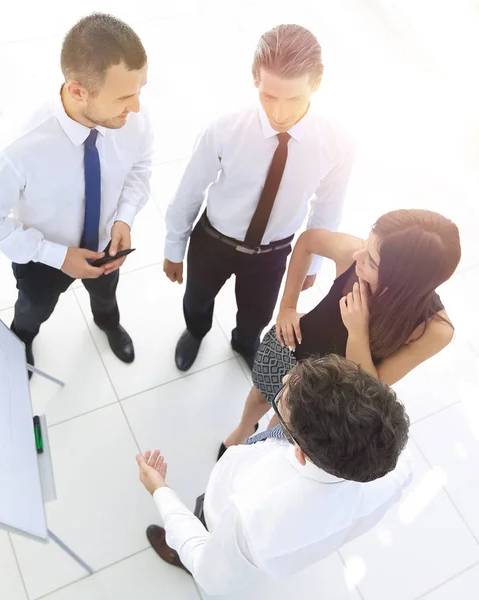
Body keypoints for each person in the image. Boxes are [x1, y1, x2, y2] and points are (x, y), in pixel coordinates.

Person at [0, 13, 152, 374]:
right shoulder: (15, 146)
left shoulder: (130, 116)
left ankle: (108, 324)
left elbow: (140, 168)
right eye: (126, 96)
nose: (138, 107)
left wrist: (125, 216)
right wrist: (54, 255)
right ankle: (21, 341)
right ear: (79, 90)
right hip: (41, 258)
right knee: (33, 308)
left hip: (106, 245)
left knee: (105, 295)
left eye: (141, 89)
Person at [163, 24, 355, 372]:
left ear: (317, 83)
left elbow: (328, 208)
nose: (279, 113)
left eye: (294, 98)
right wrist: (174, 246)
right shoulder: (224, 128)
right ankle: (196, 332)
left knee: (257, 315)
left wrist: (312, 264)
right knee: (196, 300)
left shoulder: (335, 143)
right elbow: (190, 189)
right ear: (255, 79)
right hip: (213, 241)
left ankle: (244, 344)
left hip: (272, 253)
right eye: (269, 96)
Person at [136, 355, 412, 596]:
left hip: (215, 525)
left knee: (197, 534)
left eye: (282, 400)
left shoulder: (253, 514)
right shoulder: (397, 463)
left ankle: (176, 556)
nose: (284, 375)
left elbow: (211, 574)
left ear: (301, 452)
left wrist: (161, 491)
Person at [221, 209, 461, 455]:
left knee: (282, 429)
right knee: (259, 395)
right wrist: (287, 307)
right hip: (290, 348)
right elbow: (308, 241)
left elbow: (370, 388)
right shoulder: (353, 256)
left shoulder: (433, 329)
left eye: (372, 261)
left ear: (404, 281)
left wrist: (357, 331)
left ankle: (256, 447)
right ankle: (243, 429)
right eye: (366, 246)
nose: (359, 255)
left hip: (327, 391)